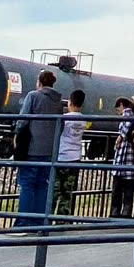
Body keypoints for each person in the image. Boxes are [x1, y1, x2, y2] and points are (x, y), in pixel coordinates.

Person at [12, 70, 62, 228]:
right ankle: (39, 221)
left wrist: (17, 135)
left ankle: (23, 222)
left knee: (27, 184)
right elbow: (60, 126)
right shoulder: (58, 101)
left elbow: (23, 120)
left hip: (31, 148)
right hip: (49, 151)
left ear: (39, 82)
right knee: (43, 185)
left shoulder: (33, 96)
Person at [52, 90, 89, 221]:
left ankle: (48, 217)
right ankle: (63, 219)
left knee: (54, 191)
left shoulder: (65, 119)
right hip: (75, 157)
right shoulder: (83, 120)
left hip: (62, 157)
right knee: (67, 192)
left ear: (70, 102)